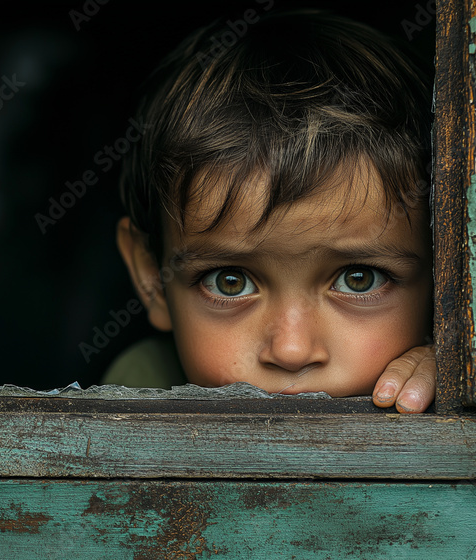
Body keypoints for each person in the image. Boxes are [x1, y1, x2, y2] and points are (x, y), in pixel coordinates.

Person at [103, 10, 437, 413]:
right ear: (153, 277)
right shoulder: (134, 399)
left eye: (358, 279)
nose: (292, 351)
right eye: (230, 282)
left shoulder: (452, 383)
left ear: (447, 279)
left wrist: (461, 373)